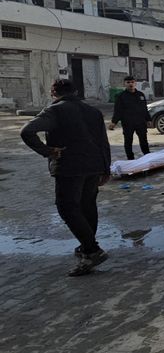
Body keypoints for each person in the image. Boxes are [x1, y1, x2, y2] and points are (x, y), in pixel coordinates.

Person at [20, 79, 111, 276]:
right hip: (94, 165)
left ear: (53, 93)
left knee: (67, 207)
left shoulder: (55, 111)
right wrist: (106, 169)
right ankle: (87, 245)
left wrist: (48, 151)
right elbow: (104, 142)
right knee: (87, 205)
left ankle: (91, 250)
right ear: (76, 91)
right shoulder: (93, 111)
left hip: (70, 166)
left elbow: (27, 131)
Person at [109, 76, 152, 160]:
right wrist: (114, 122)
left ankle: (148, 156)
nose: (130, 84)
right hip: (128, 123)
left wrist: (148, 119)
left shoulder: (140, 95)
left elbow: (144, 109)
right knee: (128, 141)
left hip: (140, 122)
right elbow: (118, 110)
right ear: (124, 84)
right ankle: (130, 159)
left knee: (144, 140)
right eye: (128, 82)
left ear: (135, 83)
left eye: (132, 82)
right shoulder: (121, 96)